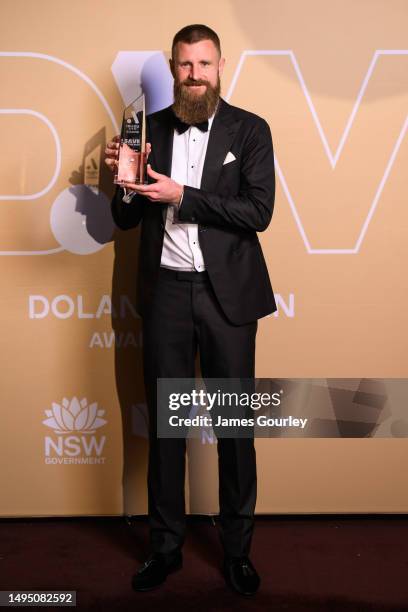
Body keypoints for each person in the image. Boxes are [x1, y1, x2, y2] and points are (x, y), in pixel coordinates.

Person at [105, 24, 276, 596]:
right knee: (166, 429)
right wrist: (124, 182)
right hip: (168, 295)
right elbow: (125, 220)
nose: (195, 74)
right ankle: (164, 547)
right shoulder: (147, 131)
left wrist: (183, 196)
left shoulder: (250, 130)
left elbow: (257, 211)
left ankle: (238, 552)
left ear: (220, 65)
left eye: (204, 64)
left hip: (228, 296)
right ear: (172, 67)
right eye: (185, 65)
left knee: (234, 426)